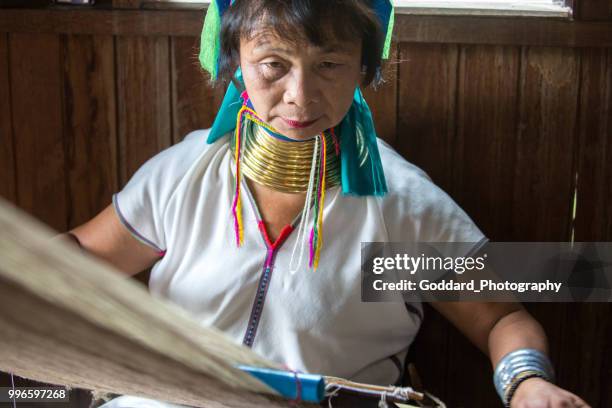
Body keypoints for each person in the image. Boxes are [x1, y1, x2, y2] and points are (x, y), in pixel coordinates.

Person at [64, 1, 589, 407]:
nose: (301, 94)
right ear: (235, 62)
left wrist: (527, 383)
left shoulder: (399, 204)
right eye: (273, 64)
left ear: (364, 68)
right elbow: (77, 260)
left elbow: (501, 318)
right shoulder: (184, 174)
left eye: (329, 64)